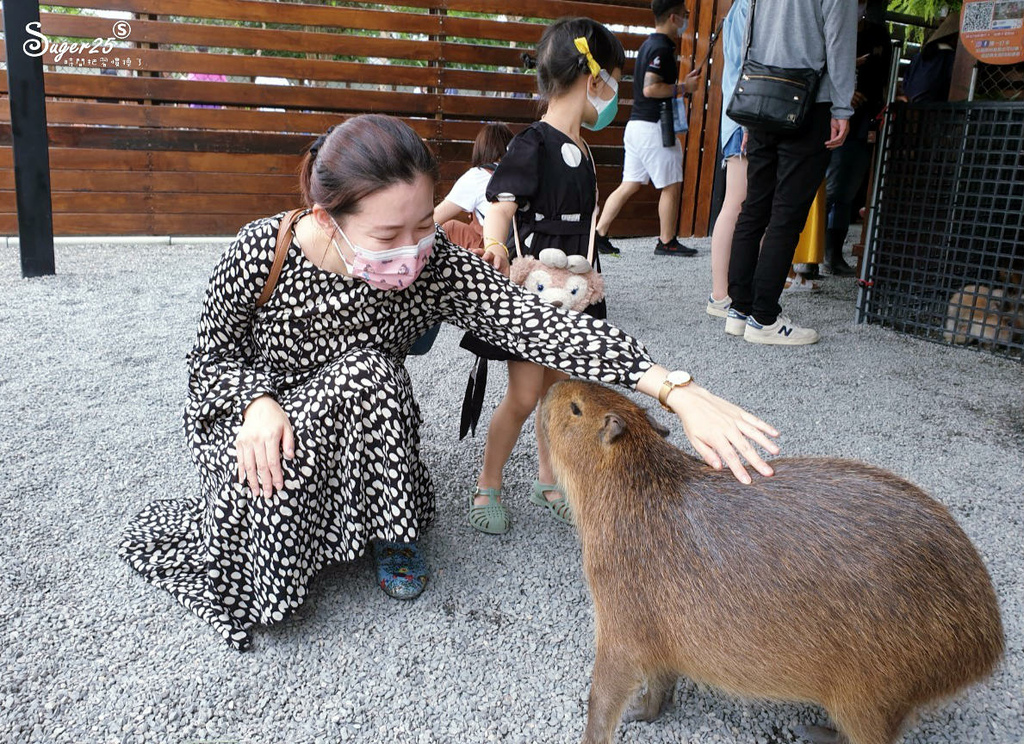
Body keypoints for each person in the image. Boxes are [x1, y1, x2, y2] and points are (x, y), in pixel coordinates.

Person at [118, 113, 780, 650]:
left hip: (358, 407)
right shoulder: (262, 249)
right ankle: (305, 496)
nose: (412, 249)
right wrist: (256, 402)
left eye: (423, 225)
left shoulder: (434, 265)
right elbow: (209, 361)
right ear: (326, 220)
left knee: (368, 369)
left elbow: (539, 325)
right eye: (388, 234)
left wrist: (672, 387)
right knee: (263, 562)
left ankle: (391, 533)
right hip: (258, 415)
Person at [723, 0, 856, 345]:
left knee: (755, 207)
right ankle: (764, 318)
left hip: (761, 92)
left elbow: (747, 38)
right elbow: (839, 42)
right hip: (809, 101)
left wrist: (749, 103)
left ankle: (740, 310)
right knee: (786, 214)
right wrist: (843, 107)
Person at [594, 0, 701, 258]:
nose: (687, 20)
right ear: (674, 18)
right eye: (685, 15)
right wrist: (684, 87)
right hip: (654, 127)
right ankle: (667, 242)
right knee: (671, 184)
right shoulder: (662, 48)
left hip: (636, 127)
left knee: (629, 184)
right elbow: (650, 88)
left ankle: (598, 235)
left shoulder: (647, 45)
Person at [822, 0, 892, 277]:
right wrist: (841, 92)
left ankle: (832, 253)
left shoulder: (878, 35)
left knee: (845, 190)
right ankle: (812, 256)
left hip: (864, 121)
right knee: (828, 189)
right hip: (828, 116)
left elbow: (883, 77)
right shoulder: (831, 24)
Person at [705, 0, 749, 317]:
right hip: (744, 117)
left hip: (739, 117)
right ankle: (721, 295)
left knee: (737, 204)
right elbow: (746, 67)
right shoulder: (748, 7)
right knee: (736, 203)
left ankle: (723, 293)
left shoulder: (738, 8)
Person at [432, 122, 515, 253]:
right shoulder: (521, 175)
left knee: (449, 228)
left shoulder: (477, 175)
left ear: (481, 149)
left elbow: (435, 217)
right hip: (518, 245)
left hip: (493, 247)